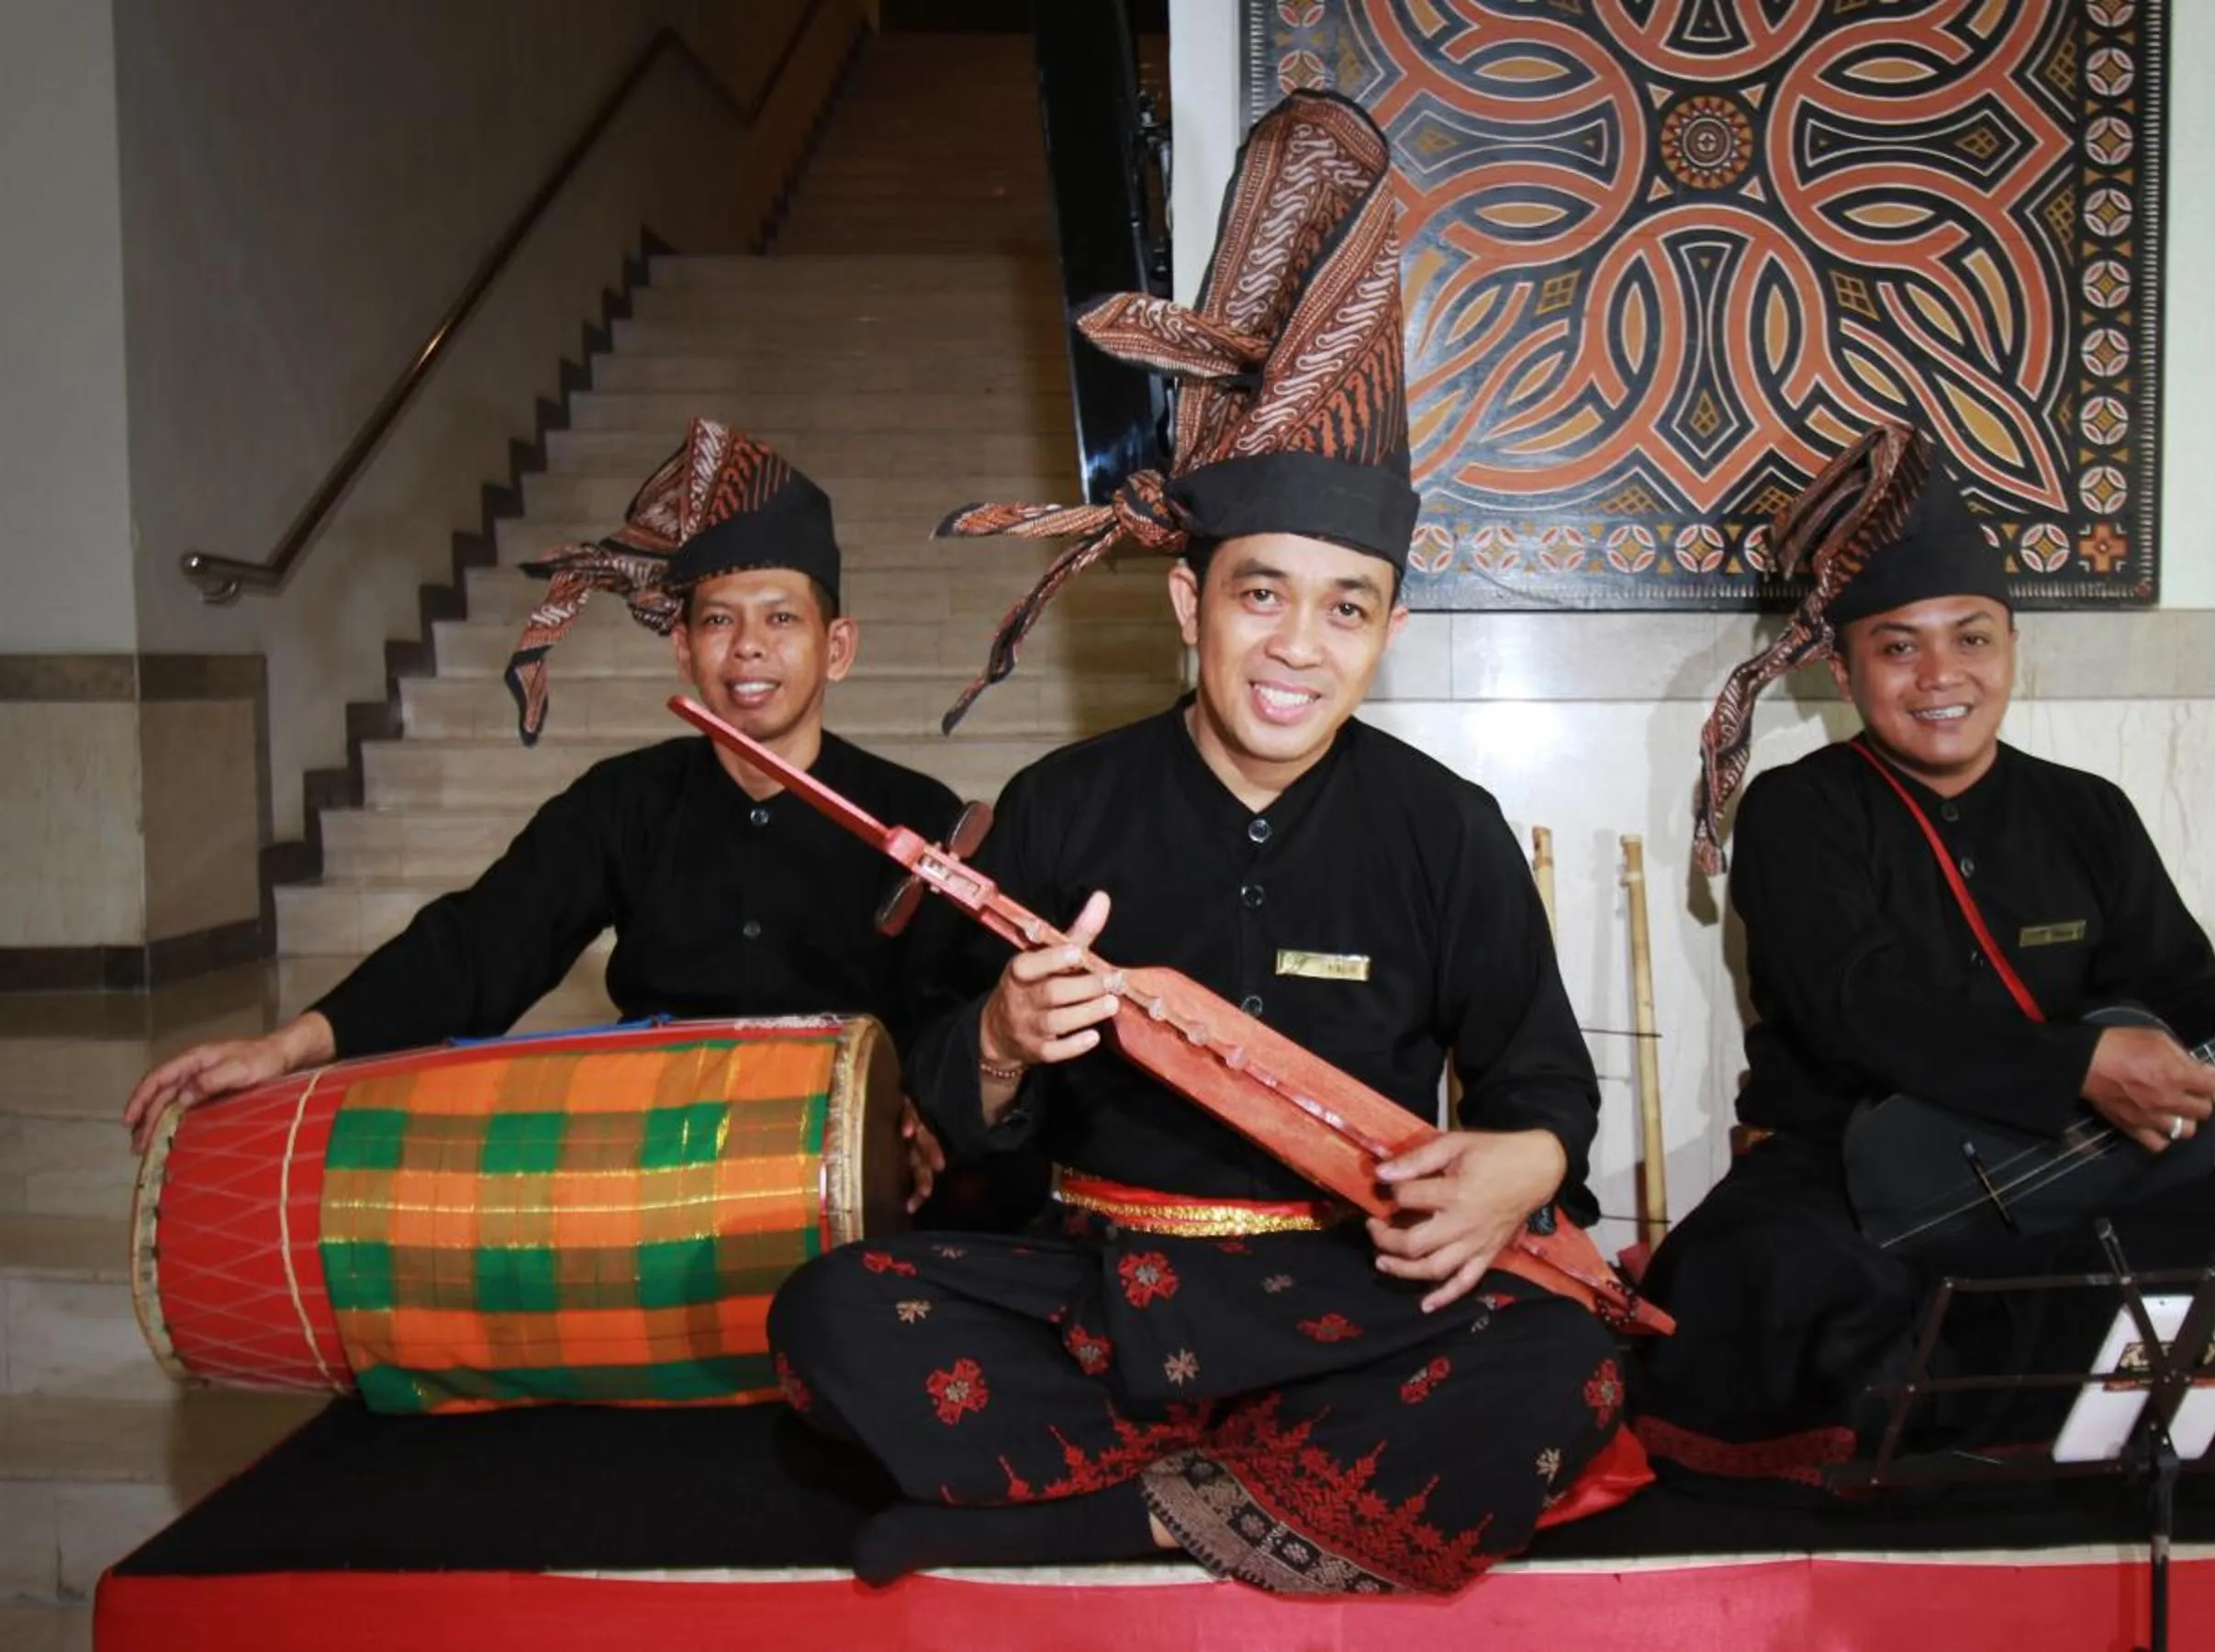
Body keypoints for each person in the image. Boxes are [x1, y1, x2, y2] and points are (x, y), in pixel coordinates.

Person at [764, 90, 1626, 1598]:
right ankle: (1267, 1503)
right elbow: (970, 1134)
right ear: (1190, 604)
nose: (1300, 644)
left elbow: (1542, 1075)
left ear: (1391, 632)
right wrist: (1011, 1038)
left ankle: (1116, 1516)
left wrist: (1520, 1166)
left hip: (1364, 1293)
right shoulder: (1063, 807)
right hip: (1112, 1289)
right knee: (833, 1314)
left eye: (1346, 607)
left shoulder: (1445, 830)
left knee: (1567, 1352)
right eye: (1260, 594)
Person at [1633, 426, 2215, 1502]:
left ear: (2015, 647)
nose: (1942, 677)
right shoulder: (1801, 810)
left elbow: (2184, 999)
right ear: (1842, 664)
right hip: (1851, 1175)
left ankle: (1986, 1431)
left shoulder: (2085, 812)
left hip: (2064, 1168)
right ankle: (1993, 1440)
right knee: (1767, 1284)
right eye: (1899, 646)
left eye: (1974, 639)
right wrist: (2077, 1069)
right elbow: (1856, 1009)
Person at [122, 421, 976, 1219]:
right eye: (718, 619)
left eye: (781, 617)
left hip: (843, 1176)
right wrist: (288, 1047)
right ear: (682, 649)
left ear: (838, 649)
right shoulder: (621, 804)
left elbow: (964, 1015)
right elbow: (480, 944)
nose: (747, 648)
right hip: (655, 1165)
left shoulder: (917, 817)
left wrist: (922, 1111)